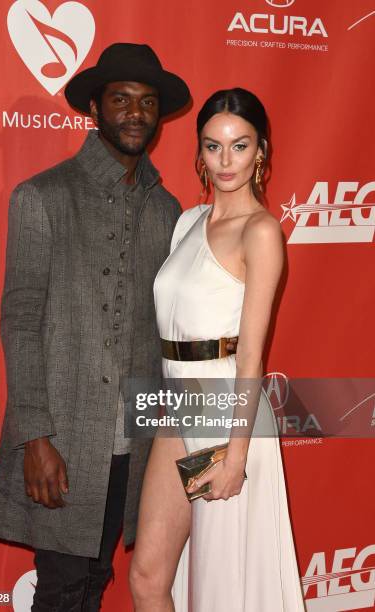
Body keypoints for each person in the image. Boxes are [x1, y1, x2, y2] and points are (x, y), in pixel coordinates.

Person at [0, 42, 190, 611]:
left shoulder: (169, 211)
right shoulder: (42, 198)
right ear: (94, 108)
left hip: (137, 443)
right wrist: (35, 437)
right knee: (63, 589)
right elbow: (20, 321)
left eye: (147, 102)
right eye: (120, 99)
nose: (135, 113)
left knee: (96, 582)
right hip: (64, 440)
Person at [129, 88, 306, 611]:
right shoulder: (186, 222)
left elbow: (251, 356)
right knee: (147, 578)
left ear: (261, 151)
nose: (226, 161)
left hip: (224, 412)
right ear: (199, 152)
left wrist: (237, 452)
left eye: (240, 145)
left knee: (221, 589)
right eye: (213, 146)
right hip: (177, 408)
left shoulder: (261, 231)